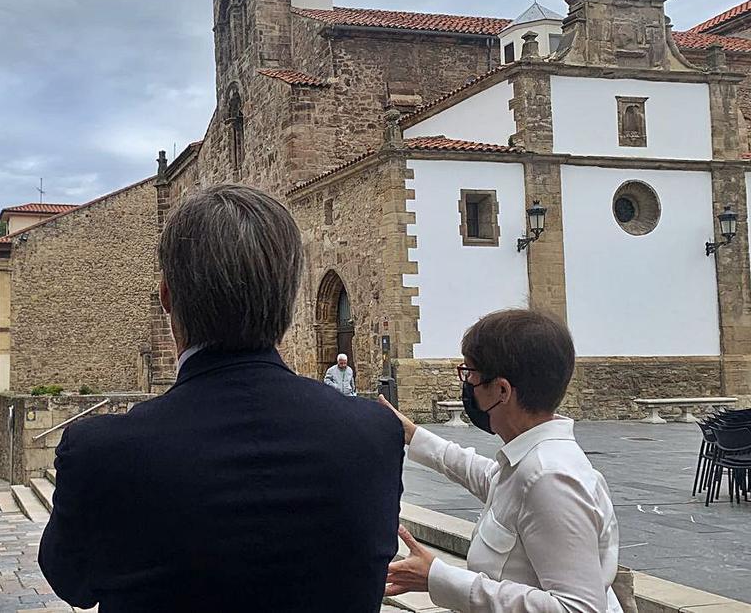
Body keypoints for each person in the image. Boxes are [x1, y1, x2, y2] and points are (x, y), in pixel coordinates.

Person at [39, 184, 405, 612]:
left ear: (167, 298)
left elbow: (72, 582)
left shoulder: (101, 452)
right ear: (290, 304)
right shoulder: (375, 436)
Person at [379, 309, 620, 613]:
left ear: (502, 390)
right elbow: (487, 476)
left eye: (471, 377)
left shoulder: (550, 478)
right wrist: (412, 434)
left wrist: (437, 577)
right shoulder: (528, 462)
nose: (468, 388)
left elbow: (579, 608)